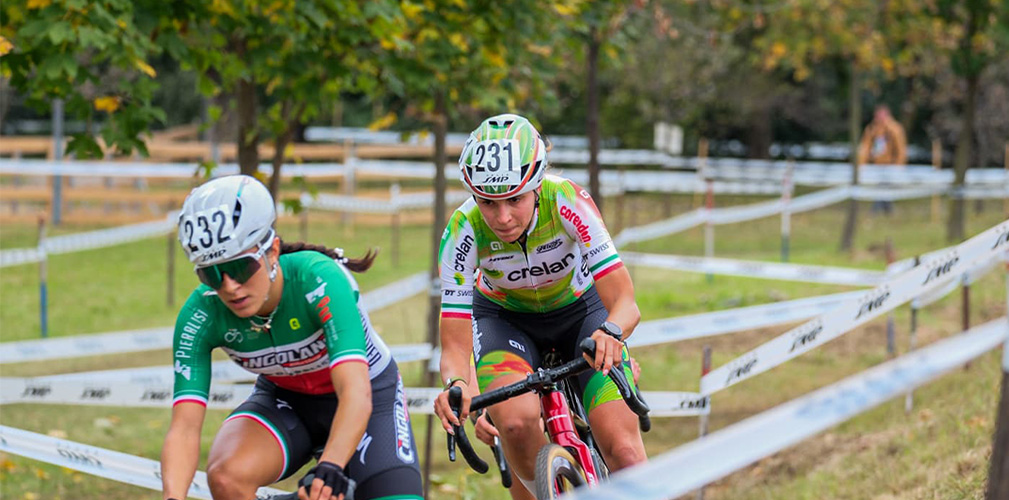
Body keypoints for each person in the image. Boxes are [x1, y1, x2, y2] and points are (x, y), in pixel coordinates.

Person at [161, 175, 422, 500]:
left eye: (240, 268)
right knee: (227, 477)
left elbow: (355, 393)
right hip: (287, 400)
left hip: (367, 395)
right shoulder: (200, 315)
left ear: (272, 251)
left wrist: (330, 467)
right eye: (210, 273)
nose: (229, 286)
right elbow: (184, 429)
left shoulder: (319, 279)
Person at [432, 114, 647, 496]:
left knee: (624, 450)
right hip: (505, 321)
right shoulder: (463, 229)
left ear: (536, 184)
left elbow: (625, 302)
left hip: (583, 314)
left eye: (515, 199)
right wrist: (458, 385)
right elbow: (454, 346)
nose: (502, 217)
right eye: (488, 202)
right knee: (514, 426)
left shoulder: (566, 200)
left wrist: (612, 333)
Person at [857, 104, 907, 214]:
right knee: (881, 186)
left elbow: (900, 148)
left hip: (891, 164)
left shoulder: (895, 129)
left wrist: (899, 164)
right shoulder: (872, 129)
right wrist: (862, 163)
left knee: (884, 186)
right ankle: (887, 209)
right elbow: (866, 147)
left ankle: (878, 209)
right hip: (877, 164)